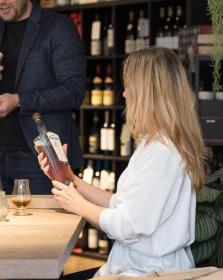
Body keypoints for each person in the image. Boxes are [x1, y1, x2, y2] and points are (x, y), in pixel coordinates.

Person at [39, 47, 208, 278]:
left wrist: (78, 205)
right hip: (132, 267)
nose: (125, 94)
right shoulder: (154, 142)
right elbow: (121, 204)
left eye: (129, 86)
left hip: (147, 273)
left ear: (148, 92)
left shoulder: (163, 152)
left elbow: (128, 224)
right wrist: (69, 178)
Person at [0, 0, 86, 194]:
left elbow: (74, 91)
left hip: (40, 160)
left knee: (45, 225)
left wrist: (19, 100)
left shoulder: (57, 27)